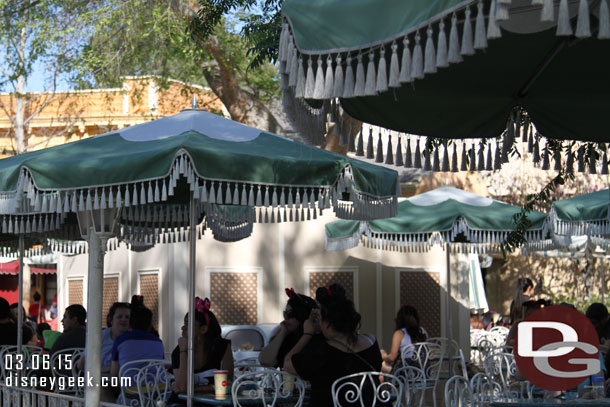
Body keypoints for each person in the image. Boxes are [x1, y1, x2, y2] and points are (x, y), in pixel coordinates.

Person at [284, 284, 383, 407]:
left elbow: (288, 365)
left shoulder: (322, 351)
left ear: (327, 323)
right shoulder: (371, 341)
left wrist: (307, 333)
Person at [171, 297, 233, 394]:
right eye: (184, 323)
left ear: (203, 329)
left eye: (189, 324)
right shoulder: (179, 351)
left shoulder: (222, 347)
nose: (183, 327)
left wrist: (194, 389)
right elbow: (183, 388)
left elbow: (227, 384)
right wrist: (183, 351)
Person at [109, 303, 164, 403]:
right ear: (150, 325)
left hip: (131, 396)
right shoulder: (158, 342)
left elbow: (114, 375)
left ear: (130, 323)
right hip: (158, 395)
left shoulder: (120, 341)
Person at [259, 288, 318, 368]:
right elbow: (264, 361)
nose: (286, 318)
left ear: (302, 315)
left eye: (290, 314)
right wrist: (282, 333)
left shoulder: (315, 340)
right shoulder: (289, 338)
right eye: (285, 314)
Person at [77, 302, 131, 374]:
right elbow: (81, 365)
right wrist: (110, 368)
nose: (124, 319)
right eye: (119, 317)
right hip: (100, 381)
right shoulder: (100, 337)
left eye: (127, 317)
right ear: (111, 320)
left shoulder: (133, 339)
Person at [380, 305, 427, 373]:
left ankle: (386, 384)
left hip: (407, 373)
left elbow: (392, 357)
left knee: (380, 365)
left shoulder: (400, 333)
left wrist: (383, 356)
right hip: (424, 372)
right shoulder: (423, 331)